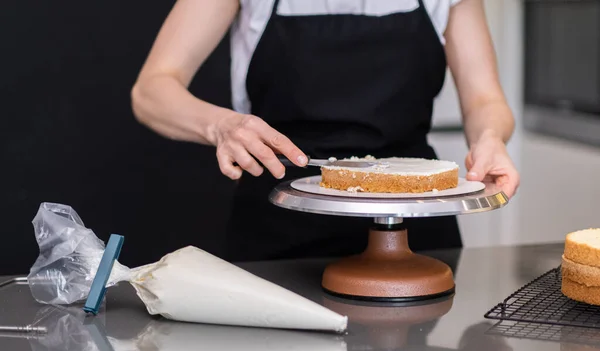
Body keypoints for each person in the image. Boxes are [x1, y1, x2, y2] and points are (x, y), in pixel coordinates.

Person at [131, 0, 520, 262]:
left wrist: (489, 138)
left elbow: (485, 100)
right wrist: (221, 125)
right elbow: (151, 91)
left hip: (414, 223)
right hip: (278, 222)